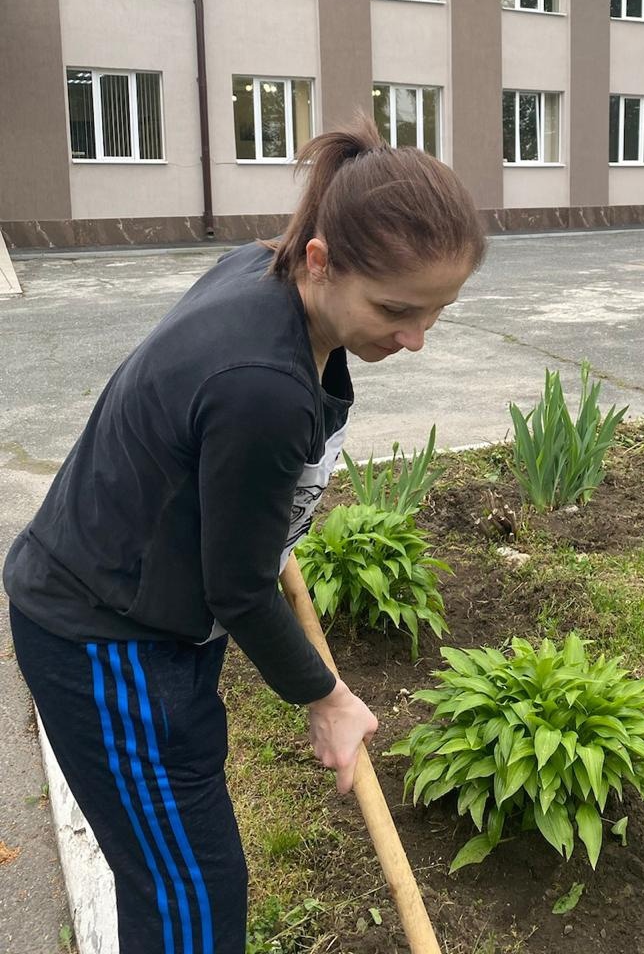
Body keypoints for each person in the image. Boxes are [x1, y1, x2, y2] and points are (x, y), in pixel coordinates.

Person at [3, 117, 486, 954]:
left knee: (185, 874)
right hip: (106, 640)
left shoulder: (263, 271)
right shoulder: (263, 384)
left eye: (437, 314)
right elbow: (237, 587)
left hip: (143, 592)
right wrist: (326, 699)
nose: (413, 339)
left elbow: (216, 478)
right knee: (188, 893)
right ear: (320, 260)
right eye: (395, 310)